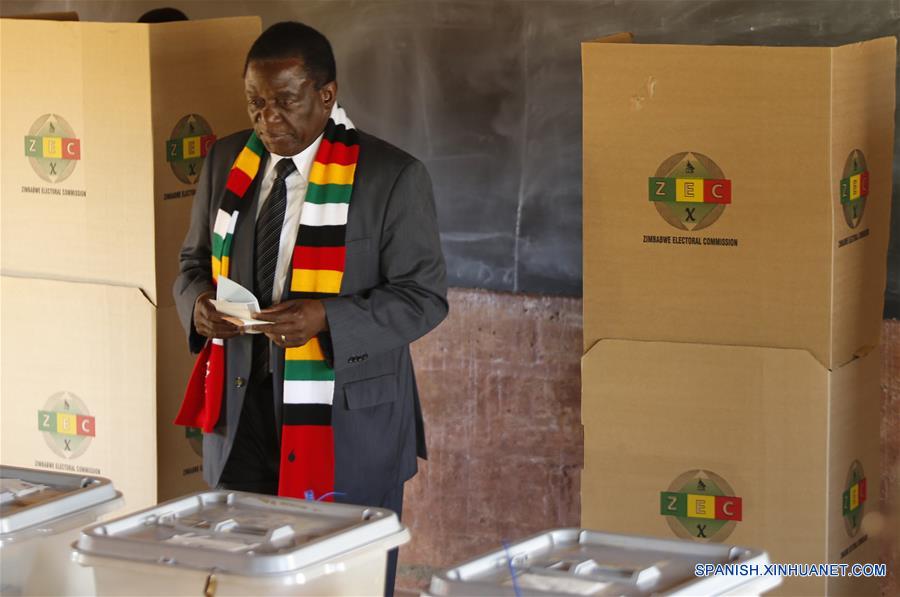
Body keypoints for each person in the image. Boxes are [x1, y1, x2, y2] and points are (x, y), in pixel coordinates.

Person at [173, 21, 447, 595]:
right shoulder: (227, 160)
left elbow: (424, 298)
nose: (268, 119)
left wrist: (326, 319)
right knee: (242, 576)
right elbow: (192, 264)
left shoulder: (391, 177)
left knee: (343, 582)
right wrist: (197, 306)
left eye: (285, 101)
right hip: (242, 412)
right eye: (255, 102)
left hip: (345, 423)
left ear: (326, 96)